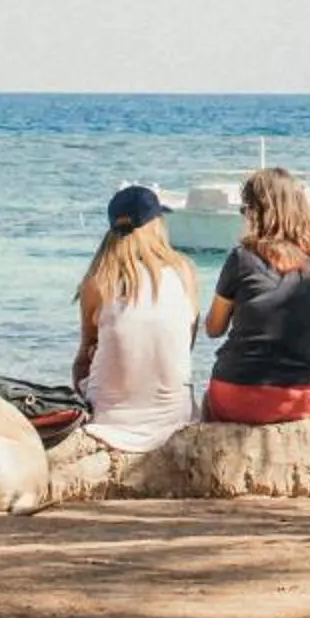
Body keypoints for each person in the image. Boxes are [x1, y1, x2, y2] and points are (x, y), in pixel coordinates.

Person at [204, 166, 310, 425]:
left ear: (256, 211)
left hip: (237, 393)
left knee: (208, 404)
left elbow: (213, 329)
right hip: (300, 400)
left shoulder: (241, 258)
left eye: (245, 208)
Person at [74, 184, 199, 451]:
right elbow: (185, 344)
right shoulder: (184, 272)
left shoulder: (97, 283)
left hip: (108, 423)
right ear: (156, 224)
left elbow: (84, 357)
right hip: (175, 421)